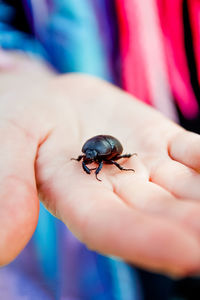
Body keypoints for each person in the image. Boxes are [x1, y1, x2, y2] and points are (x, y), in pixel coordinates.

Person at [1, 0, 200, 299]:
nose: (89, 161)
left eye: (91, 160)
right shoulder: (89, 151)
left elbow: (109, 156)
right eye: (89, 159)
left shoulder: (106, 154)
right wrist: (13, 69)